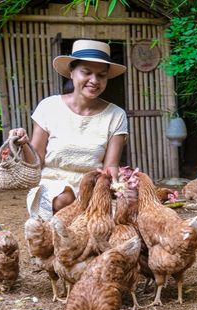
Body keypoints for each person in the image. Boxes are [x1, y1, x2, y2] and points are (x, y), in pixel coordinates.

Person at [8, 39, 128, 219]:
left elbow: (110, 166)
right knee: (65, 199)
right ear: (71, 72)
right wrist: (24, 144)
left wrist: (120, 189)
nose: (94, 81)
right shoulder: (48, 107)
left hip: (93, 188)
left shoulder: (116, 115)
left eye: (101, 75)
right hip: (52, 187)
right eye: (86, 72)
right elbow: (37, 162)